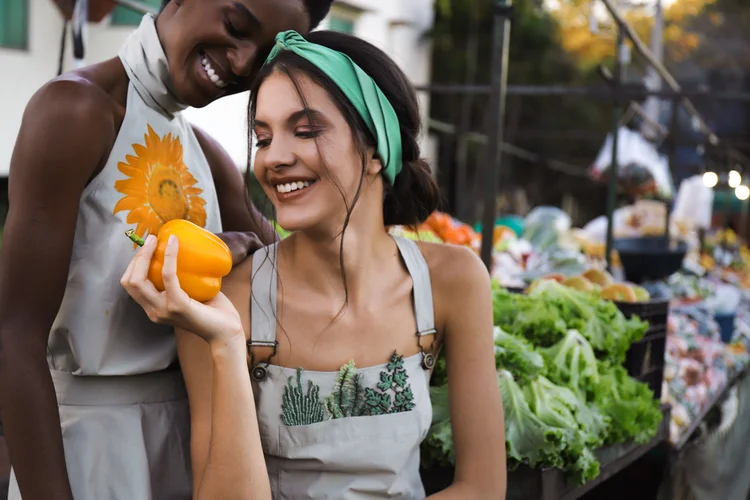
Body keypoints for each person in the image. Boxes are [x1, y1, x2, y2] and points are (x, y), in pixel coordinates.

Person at [123, 30, 507, 499]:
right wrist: (224, 343)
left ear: (374, 150)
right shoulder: (226, 301)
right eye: (263, 138)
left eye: (305, 131)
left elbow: (482, 488)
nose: (274, 159)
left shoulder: (453, 281)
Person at [0, 1, 333, 499]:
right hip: (88, 453)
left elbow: (301, 279)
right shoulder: (74, 112)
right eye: (236, 26)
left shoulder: (207, 154)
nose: (243, 63)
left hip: (190, 450)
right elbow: (12, 335)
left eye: (264, 55)